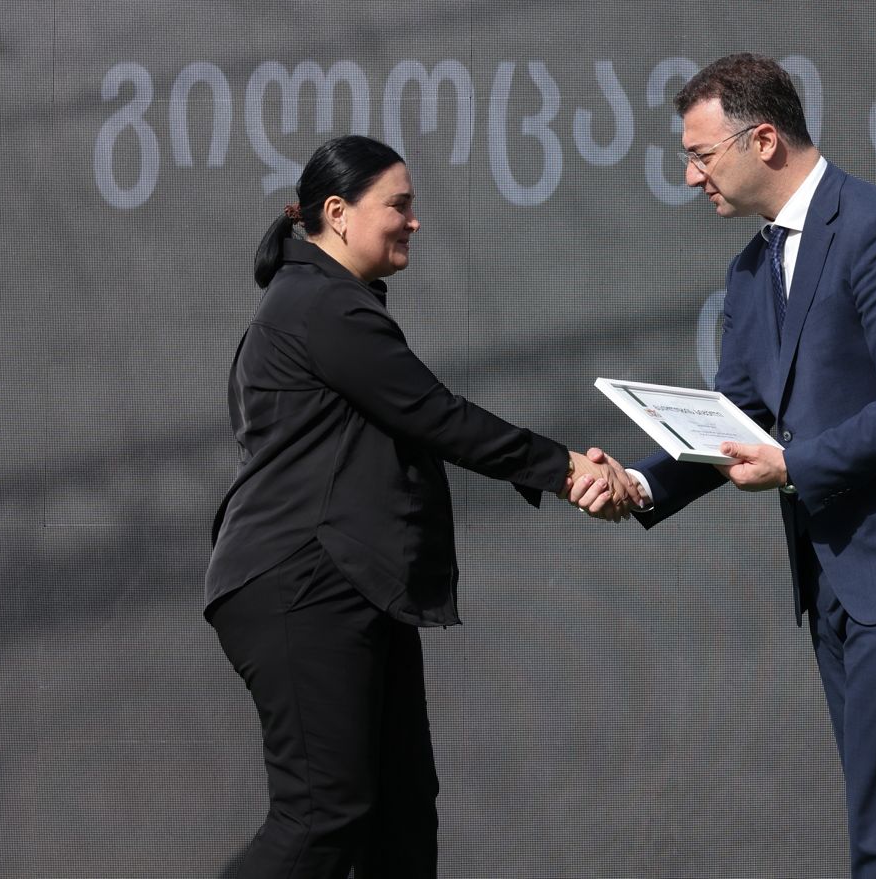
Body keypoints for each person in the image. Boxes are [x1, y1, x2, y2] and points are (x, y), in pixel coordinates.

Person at [601, 53, 876, 877]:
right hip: (836, 578)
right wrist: (640, 483)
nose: (690, 177)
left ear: (764, 140)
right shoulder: (752, 269)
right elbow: (735, 417)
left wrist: (792, 466)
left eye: (701, 155)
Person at [205, 134, 636, 878]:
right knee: (321, 817)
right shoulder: (320, 304)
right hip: (302, 586)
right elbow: (435, 414)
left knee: (401, 811)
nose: (414, 221)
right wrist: (566, 468)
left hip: (349, 584)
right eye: (398, 206)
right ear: (338, 212)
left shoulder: (320, 302)